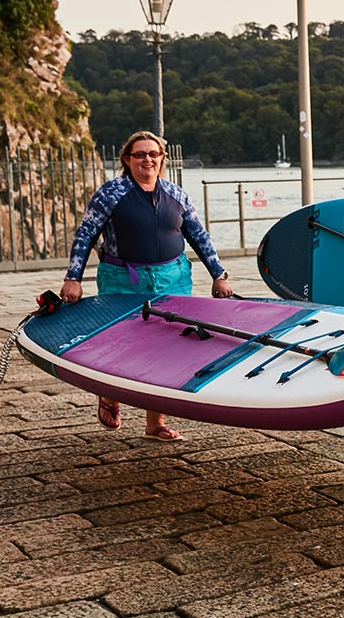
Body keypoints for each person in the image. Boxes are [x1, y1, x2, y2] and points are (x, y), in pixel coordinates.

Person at [60, 131, 234, 441]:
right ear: (127, 160)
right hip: (122, 279)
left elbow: (199, 236)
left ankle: (155, 423)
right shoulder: (110, 193)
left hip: (173, 278)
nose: (148, 159)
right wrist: (73, 278)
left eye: (154, 154)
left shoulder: (176, 194)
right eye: (140, 154)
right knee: (121, 342)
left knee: (167, 348)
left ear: (162, 159)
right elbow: (86, 235)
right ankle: (110, 395)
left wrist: (219, 274)